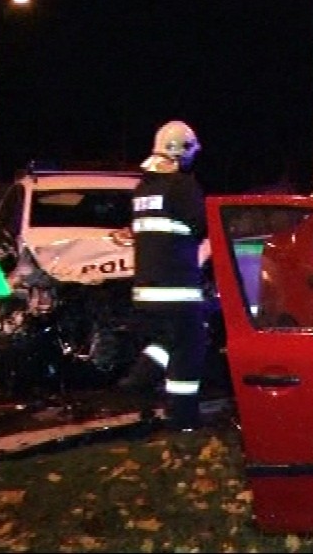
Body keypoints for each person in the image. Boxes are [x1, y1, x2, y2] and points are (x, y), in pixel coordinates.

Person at [118, 120, 208, 431]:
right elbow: (202, 227)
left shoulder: (143, 188)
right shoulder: (182, 186)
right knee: (190, 347)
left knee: (166, 342)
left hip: (145, 292)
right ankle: (183, 419)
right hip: (177, 290)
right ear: (181, 152)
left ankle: (138, 379)